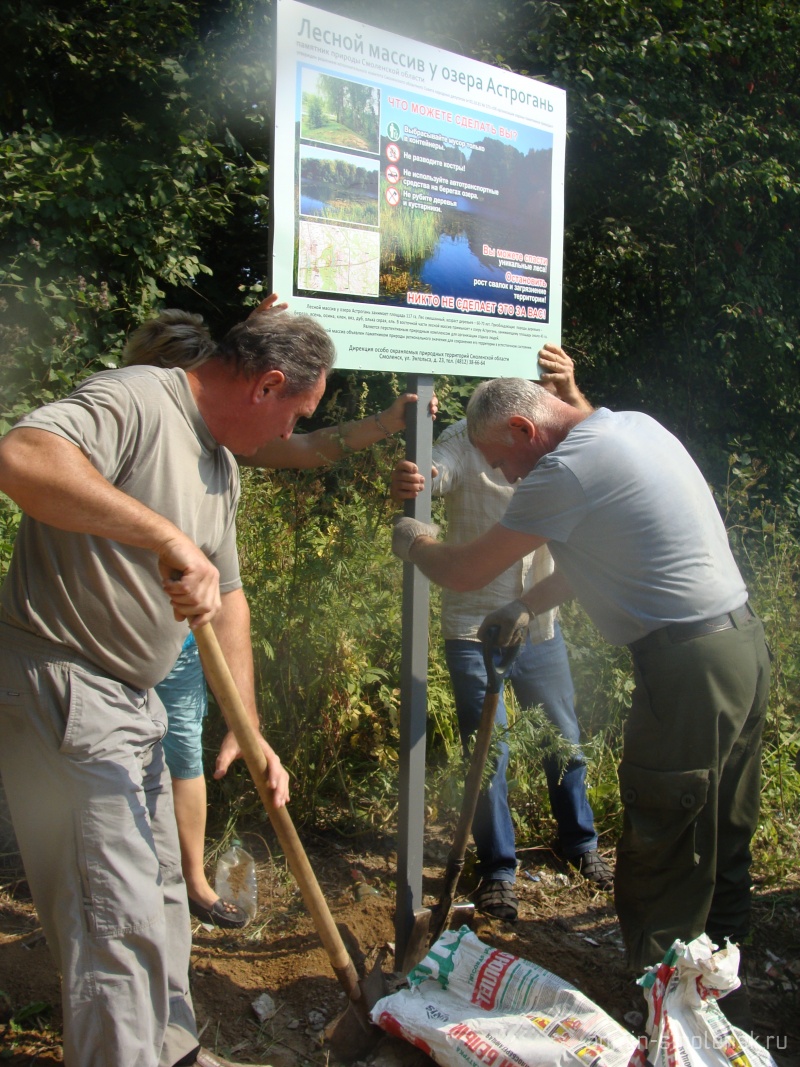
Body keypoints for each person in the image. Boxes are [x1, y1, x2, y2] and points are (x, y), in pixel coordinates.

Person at [0, 308, 335, 1067]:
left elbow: (233, 597)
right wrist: (163, 534)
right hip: (67, 684)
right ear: (268, 385)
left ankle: (170, 1050)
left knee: (160, 896)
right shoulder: (140, 398)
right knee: (112, 916)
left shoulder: (220, 465)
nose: (291, 435)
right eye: (296, 416)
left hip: (133, 701)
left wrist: (246, 727)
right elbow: (21, 456)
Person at [391, 367, 770, 1026]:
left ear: (523, 429)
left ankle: (665, 1020)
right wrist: (523, 603)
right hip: (740, 646)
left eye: (503, 460)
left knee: (663, 844)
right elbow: (598, 553)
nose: (506, 477)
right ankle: (721, 998)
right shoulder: (631, 428)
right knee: (721, 832)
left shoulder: (560, 471)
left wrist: (416, 540)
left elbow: (466, 567)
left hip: (686, 669)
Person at [126, 297, 436, 928]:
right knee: (128, 767)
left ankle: (187, 884)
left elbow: (308, 444)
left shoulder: (230, 445)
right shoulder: (137, 424)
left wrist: (383, 421)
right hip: (112, 639)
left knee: (183, 750)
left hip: (185, 634)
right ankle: (131, 890)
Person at [389, 346, 612, 923]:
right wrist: (419, 478)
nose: (508, 466)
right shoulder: (465, 439)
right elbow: (439, 472)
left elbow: (596, 445)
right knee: (488, 751)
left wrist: (572, 392)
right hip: (473, 625)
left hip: (538, 620)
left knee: (563, 736)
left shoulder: (547, 439)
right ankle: (498, 871)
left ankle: (580, 843)